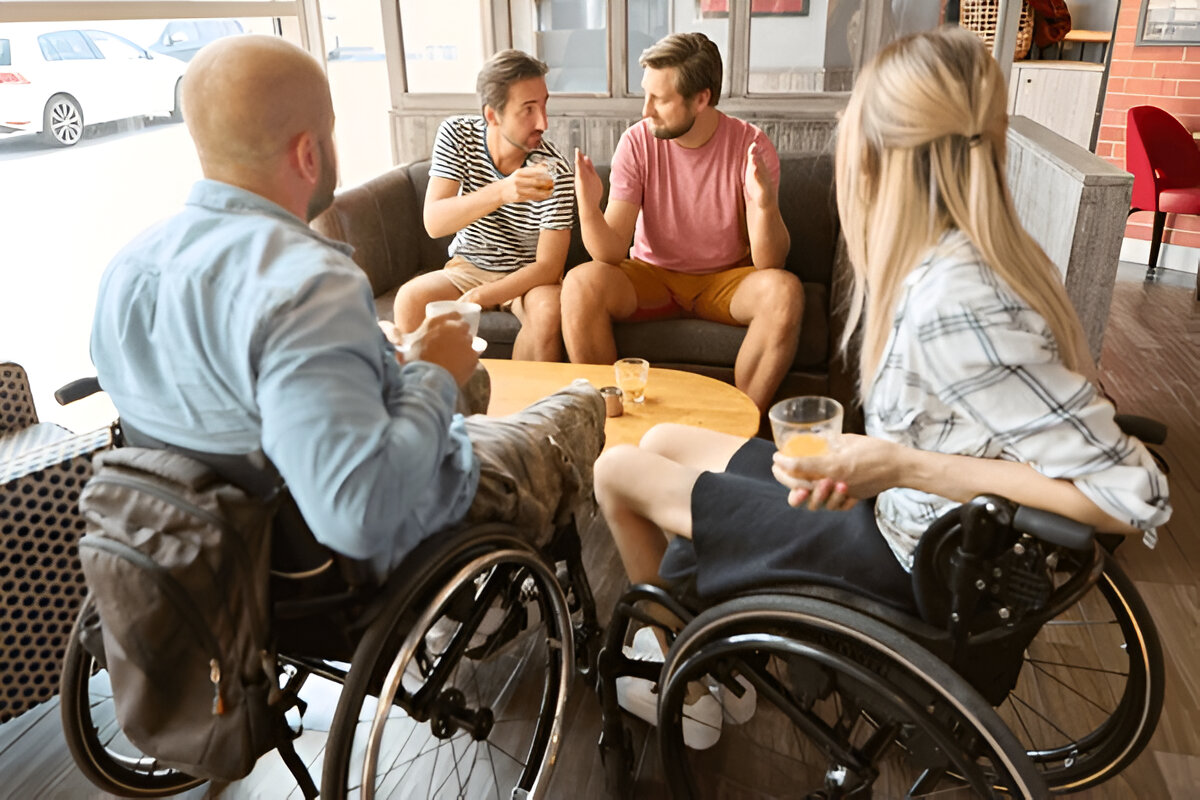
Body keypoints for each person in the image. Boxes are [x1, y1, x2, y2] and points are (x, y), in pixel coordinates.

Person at [592, 26, 1171, 748]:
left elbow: (1130, 494)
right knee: (661, 437)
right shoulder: (972, 256)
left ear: (887, 151)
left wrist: (898, 464)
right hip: (896, 511)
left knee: (616, 470)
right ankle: (719, 660)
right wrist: (886, 463)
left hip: (900, 557)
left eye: (854, 124)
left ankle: (691, 685)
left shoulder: (956, 298)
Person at [89, 35, 604, 584]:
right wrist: (430, 374)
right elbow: (360, 514)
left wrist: (379, 359)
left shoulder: (128, 269)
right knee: (580, 404)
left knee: (471, 380)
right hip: (344, 561)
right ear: (309, 154)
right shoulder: (311, 285)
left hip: (210, 559)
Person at [564, 32, 802, 413]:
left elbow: (769, 262)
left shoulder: (751, 147)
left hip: (725, 281)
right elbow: (609, 252)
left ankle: (740, 423)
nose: (646, 111)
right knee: (579, 284)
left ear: (701, 99)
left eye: (659, 99)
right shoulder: (636, 142)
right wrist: (589, 205)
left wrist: (767, 205)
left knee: (785, 292)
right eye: (646, 95)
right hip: (652, 278)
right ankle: (608, 420)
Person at [390, 49, 574, 362]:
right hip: (467, 267)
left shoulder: (555, 170)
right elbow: (434, 222)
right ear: (492, 115)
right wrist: (502, 191)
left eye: (544, 105)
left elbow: (548, 267)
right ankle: (428, 391)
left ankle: (524, 394)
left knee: (548, 310)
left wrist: (481, 296)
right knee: (410, 298)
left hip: (528, 277)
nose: (543, 122)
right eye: (528, 109)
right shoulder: (457, 136)